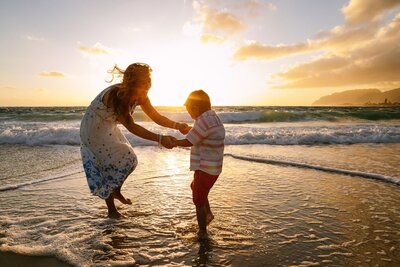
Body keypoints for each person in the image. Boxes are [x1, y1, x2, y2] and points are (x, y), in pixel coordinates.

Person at [80, 62, 189, 218]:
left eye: (148, 85)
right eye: (142, 85)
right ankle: (112, 211)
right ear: (131, 84)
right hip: (93, 128)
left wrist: (177, 125)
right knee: (105, 164)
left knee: (128, 159)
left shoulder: (142, 96)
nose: (145, 89)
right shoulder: (116, 96)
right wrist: (160, 138)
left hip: (107, 125)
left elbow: (155, 116)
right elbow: (131, 126)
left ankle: (116, 190)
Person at [174, 90, 225, 239]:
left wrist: (175, 142)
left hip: (205, 167)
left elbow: (190, 141)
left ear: (195, 108)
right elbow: (203, 133)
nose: (189, 114)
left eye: (189, 110)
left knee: (198, 198)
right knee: (196, 188)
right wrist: (191, 130)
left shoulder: (203, 121)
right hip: (214, 167)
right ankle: (208, 213)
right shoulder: (213, 118)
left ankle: (202, 232)